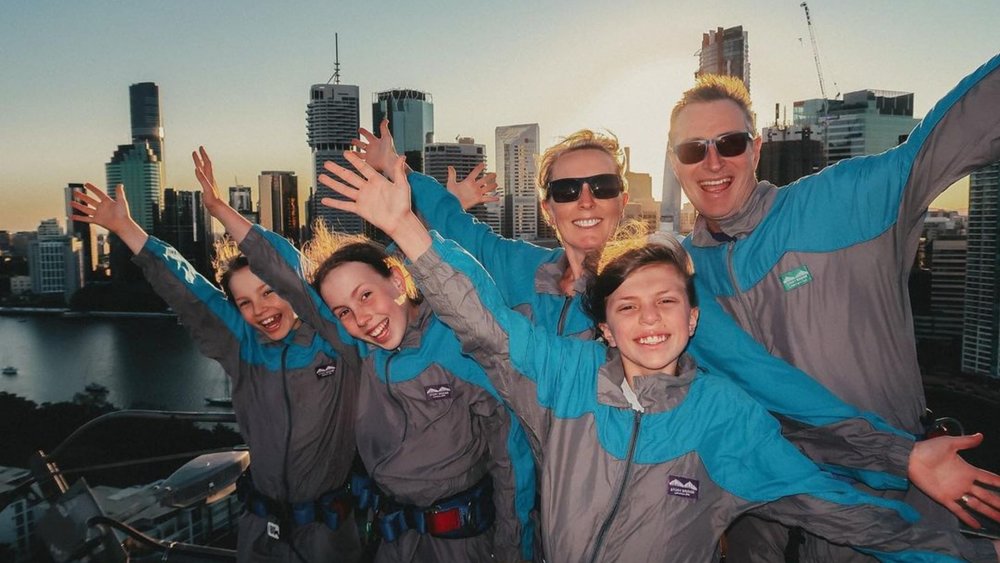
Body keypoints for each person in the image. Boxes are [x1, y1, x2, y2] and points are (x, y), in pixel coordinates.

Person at [315, 151, 1000, 562]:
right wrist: (407, 223)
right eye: (628, 306)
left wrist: (963, 539)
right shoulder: (565, 374)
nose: (649, 318)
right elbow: (485, 322)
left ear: (693, 316)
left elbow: (833, 507)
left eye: (666, 302)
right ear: (603, 326)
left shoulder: (724, 418)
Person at [668, 53, 1000, 561]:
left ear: (755, 149)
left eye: (730, 143)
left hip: (899, 496)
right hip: (767, 521)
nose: (713, 163)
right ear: (676, 163)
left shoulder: (838, 202)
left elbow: (946, 139)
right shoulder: (678, 276)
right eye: (694, 149)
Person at [227, 182, 536, 560]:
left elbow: (512, 459)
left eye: (365, 295)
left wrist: (513, 551)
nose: (361, 318)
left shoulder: (457, 344)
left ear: (397, 281)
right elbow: (290, 282)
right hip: (388, 538)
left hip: (460, 543)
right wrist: (220, 211)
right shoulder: (359, 351)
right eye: (343, 311)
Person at [69, 167, 363, 562]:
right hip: (261, 533)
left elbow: (288, 271)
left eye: (269, 292)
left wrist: (221, 210)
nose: (260, 309)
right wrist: (125, 229)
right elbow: (188, 291)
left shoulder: (335, 341)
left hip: (330, 537)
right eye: (245, 303)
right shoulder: (243, 348)